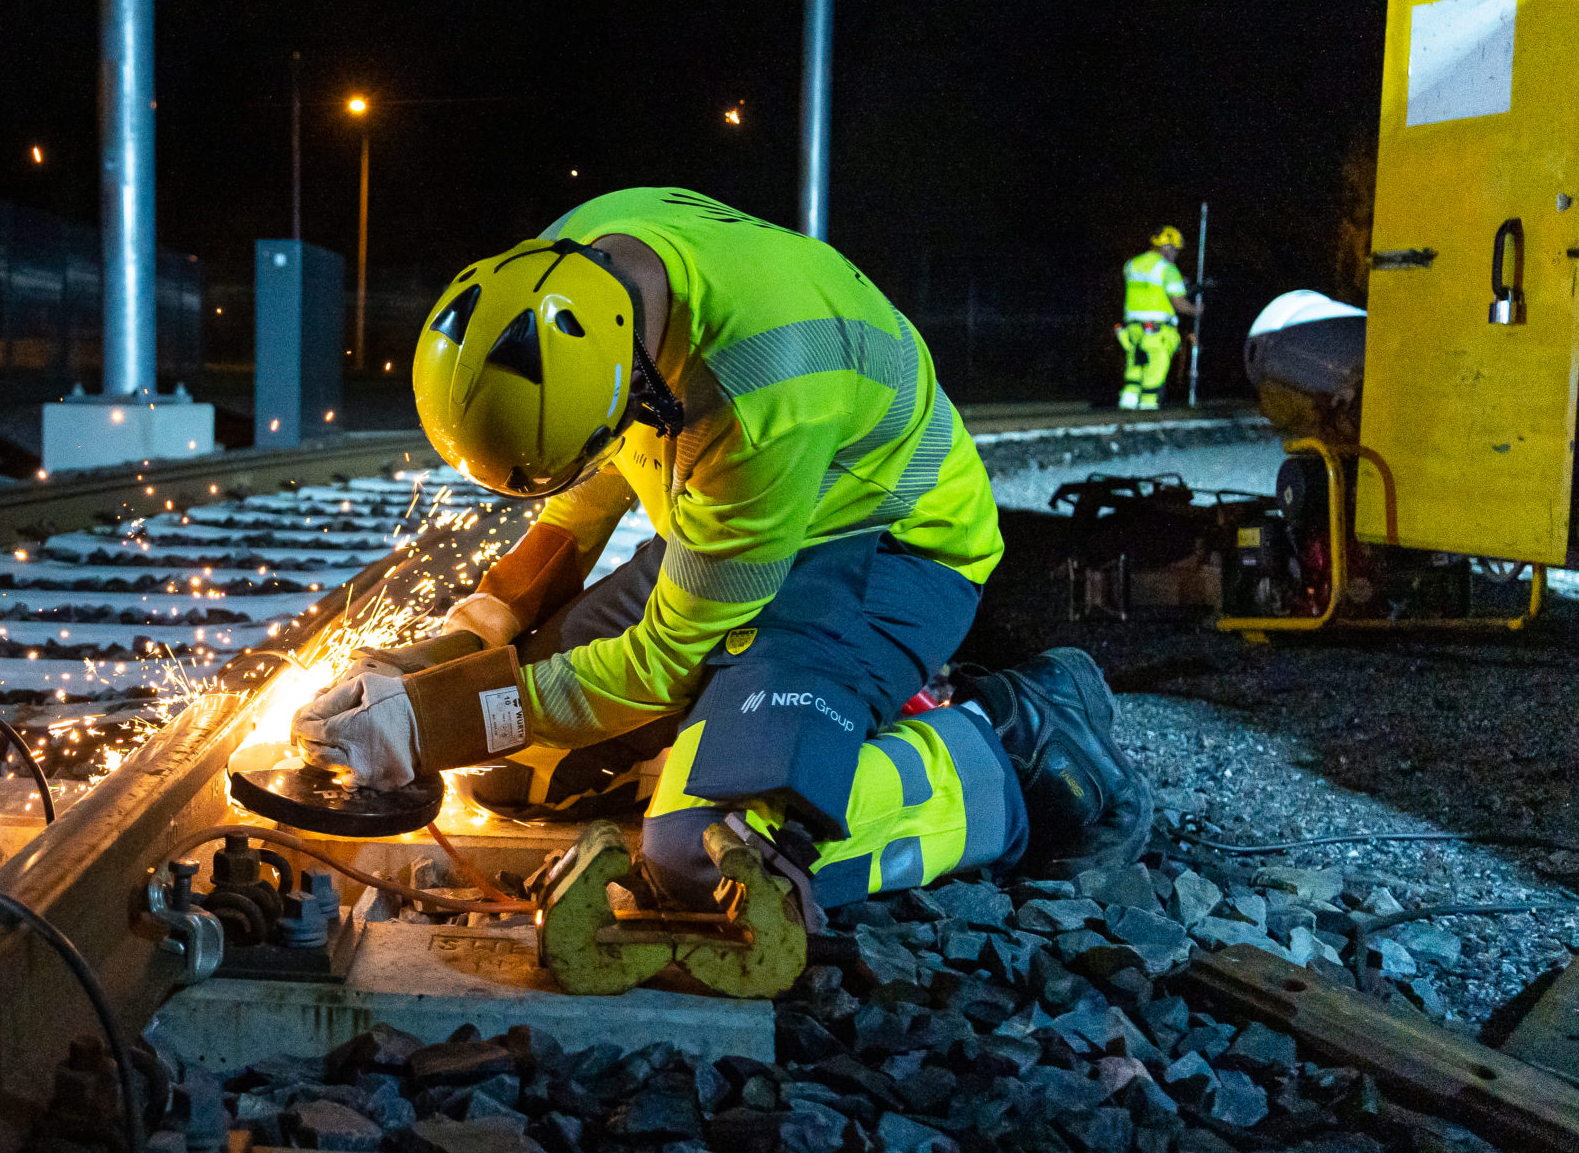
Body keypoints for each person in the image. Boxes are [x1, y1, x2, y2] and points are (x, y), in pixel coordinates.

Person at [294, 188, 1153, 915]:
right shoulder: (579, 277)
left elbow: (662, 661)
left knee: (702, 861)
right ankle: (731, 734)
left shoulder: (761, 385)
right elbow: (585, 489)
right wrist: (450, 650)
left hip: (877, 552)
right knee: (510, 768)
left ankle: (1012, 747)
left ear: (634, 383)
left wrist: (429, 719)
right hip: (734, 540)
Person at [1117, 225, 1202, 410]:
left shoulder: (1131, 265)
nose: (1176, 254)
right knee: (1156, 365)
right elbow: (1178, 303)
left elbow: (1148, 290)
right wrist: (1196, 310)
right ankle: (1149, 405)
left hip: (1132, 327)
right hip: (1157, 329)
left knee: (1136, 363)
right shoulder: (1168, 270)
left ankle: (1128, 401)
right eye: (1175, 250)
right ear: (1166, 247)